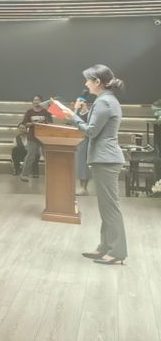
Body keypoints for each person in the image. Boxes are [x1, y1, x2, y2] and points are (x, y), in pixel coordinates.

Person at [62, 64, 127, 265]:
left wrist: (72, 116)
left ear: (97, 81)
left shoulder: (104, 102)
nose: (86, 84)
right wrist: (80, 114)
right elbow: (94, 127)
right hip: (105, 159)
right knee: (106, 207)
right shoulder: (106, 100)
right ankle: (105, 248)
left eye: (88, 80)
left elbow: (91, 131)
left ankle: (116, 252)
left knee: (110, 208)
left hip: (106, 160)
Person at [19, 95, 52, 182]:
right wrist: (33, 123)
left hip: (44, 137)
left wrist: (44, 122)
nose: (36, 101)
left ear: (41, 101)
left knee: (47, 156)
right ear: (32, 102)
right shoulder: (29, 112)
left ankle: (51, 175)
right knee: (30, 156)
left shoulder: (45, 112)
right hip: (32, 137)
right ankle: (24, 174)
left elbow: (50, 122)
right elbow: (24, 123)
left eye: (38, 100)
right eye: (34, 100)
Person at [74, 94, 91, 196]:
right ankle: (82, 186)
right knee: (80, 164)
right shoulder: (77, 113)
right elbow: (72, 121)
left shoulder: (89, 114)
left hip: (86, 140)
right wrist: (75, 110)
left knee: (84, 164)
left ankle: (84, 187)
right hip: (78, 140)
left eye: (82, 102)